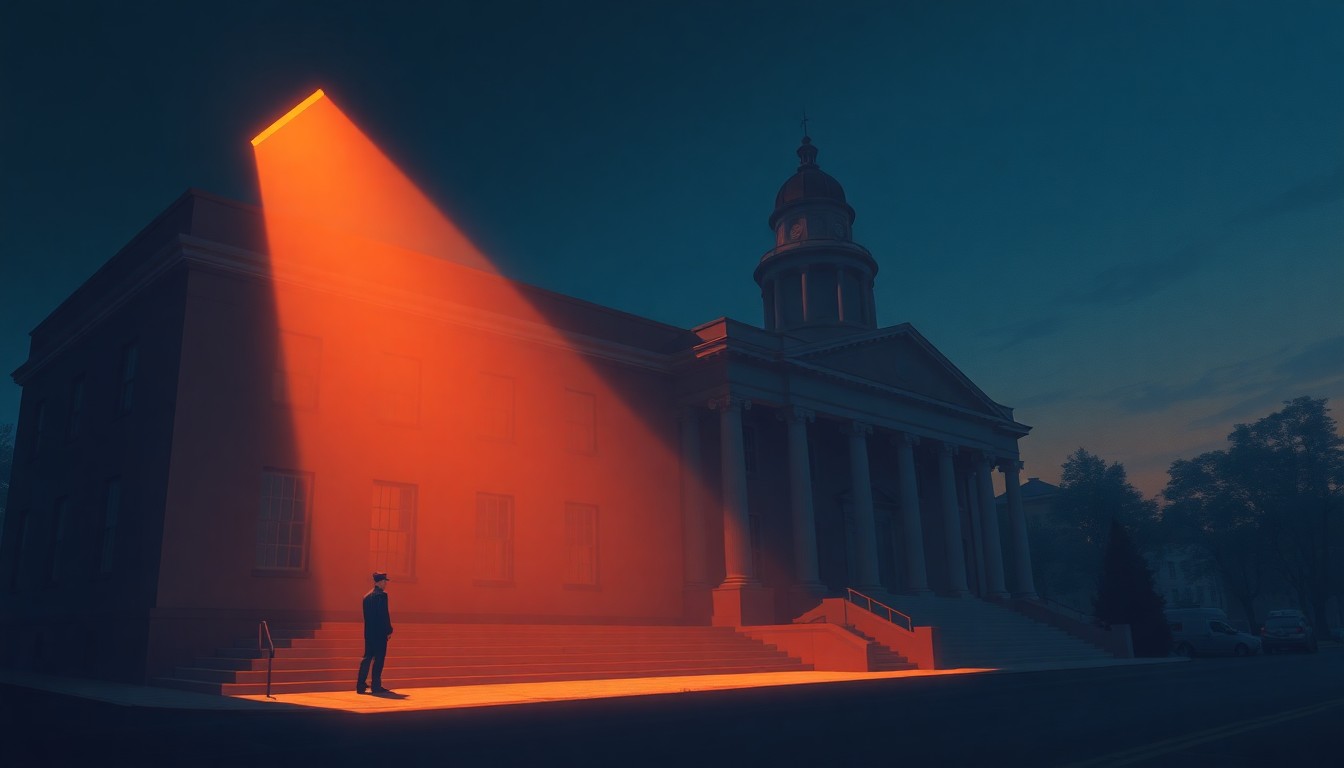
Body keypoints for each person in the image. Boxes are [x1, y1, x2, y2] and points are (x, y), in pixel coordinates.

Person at [356, 571, 394, 694]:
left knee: (367, 658)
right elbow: (384, 614)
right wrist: (389, 629)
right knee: (379, 659)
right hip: (380, 633)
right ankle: (376, 686)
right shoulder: (382, 596)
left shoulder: (366, 597)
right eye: (384, 582)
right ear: (381, 582)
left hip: (369, 633)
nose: (385, 584)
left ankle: (360, 685)